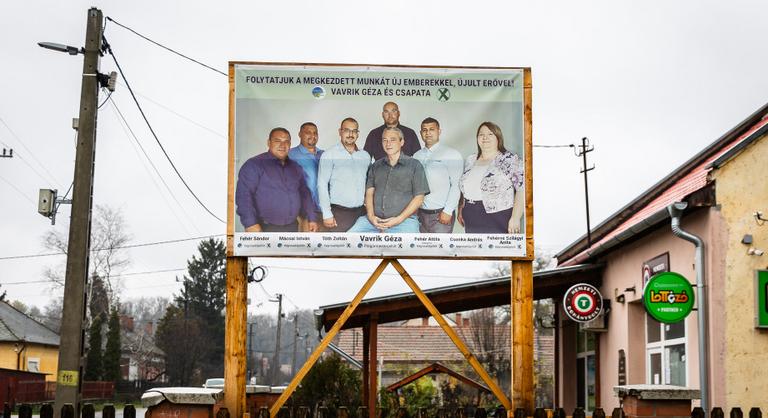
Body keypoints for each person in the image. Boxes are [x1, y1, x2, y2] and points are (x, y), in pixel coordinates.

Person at [235, 127, 318, 232]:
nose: (282, 145)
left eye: (286, 141)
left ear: (290, 144)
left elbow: (305, 194)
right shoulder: (254, 165)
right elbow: (244, 195)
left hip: (293, 227)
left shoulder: (295, 167)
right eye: (277, 141)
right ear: (269, 143)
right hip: (264, 228)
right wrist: (250, 223)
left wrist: (312, 218)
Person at [349, 127, 429, 233]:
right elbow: (369, 193)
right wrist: (371, 216)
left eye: (393, 140)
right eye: (385, 140)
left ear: (402, 142)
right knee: (348, 240)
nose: (388, 144)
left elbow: (419, 198)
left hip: (404, 221)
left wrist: (398, 219)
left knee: (408, 247)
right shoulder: (375, 166)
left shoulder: (415, 165)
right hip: (372, 221)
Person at [458, 121, 524, 234]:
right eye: (481, 134)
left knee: (498, 251)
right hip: (471, 214)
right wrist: (461, 209)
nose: (485, 138)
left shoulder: (509, 159)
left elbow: (522, 189)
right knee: (474, 250)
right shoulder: (471, 159)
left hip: (499, 216)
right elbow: (466, 187)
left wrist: (515, 218)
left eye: (490, 134)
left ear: (498, 137)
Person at [317, 118, 371, 232]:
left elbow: (368, 183)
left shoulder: (365, 156)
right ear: (340, 132)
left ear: (358, 134)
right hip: (339, 213)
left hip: (361, 213)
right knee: (340, 248)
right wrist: (327, 214)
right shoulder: (329, 154)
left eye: (354, 131)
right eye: (347, 130)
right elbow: (322, 184)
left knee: (360, 248)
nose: (351, 134)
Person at [412, 117, 463, 233]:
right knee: (421, 250)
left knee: (440, 250)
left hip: (441, 215)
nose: (428, 133)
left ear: (439, 131)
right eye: (424, 130)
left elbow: (456, 184)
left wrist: (448, 211)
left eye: (432, 129)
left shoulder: (451, 154)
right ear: (420, 133)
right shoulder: (416, 156)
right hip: (419, 214)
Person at [288, 122, 324, 231]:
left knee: (322, 245)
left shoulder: (324, 154)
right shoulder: (290, 154)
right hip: (304, 211)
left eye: (315, 133)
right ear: (300, 134)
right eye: (308, 132)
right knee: (306, 244)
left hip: (324, 210)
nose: (312, 136)